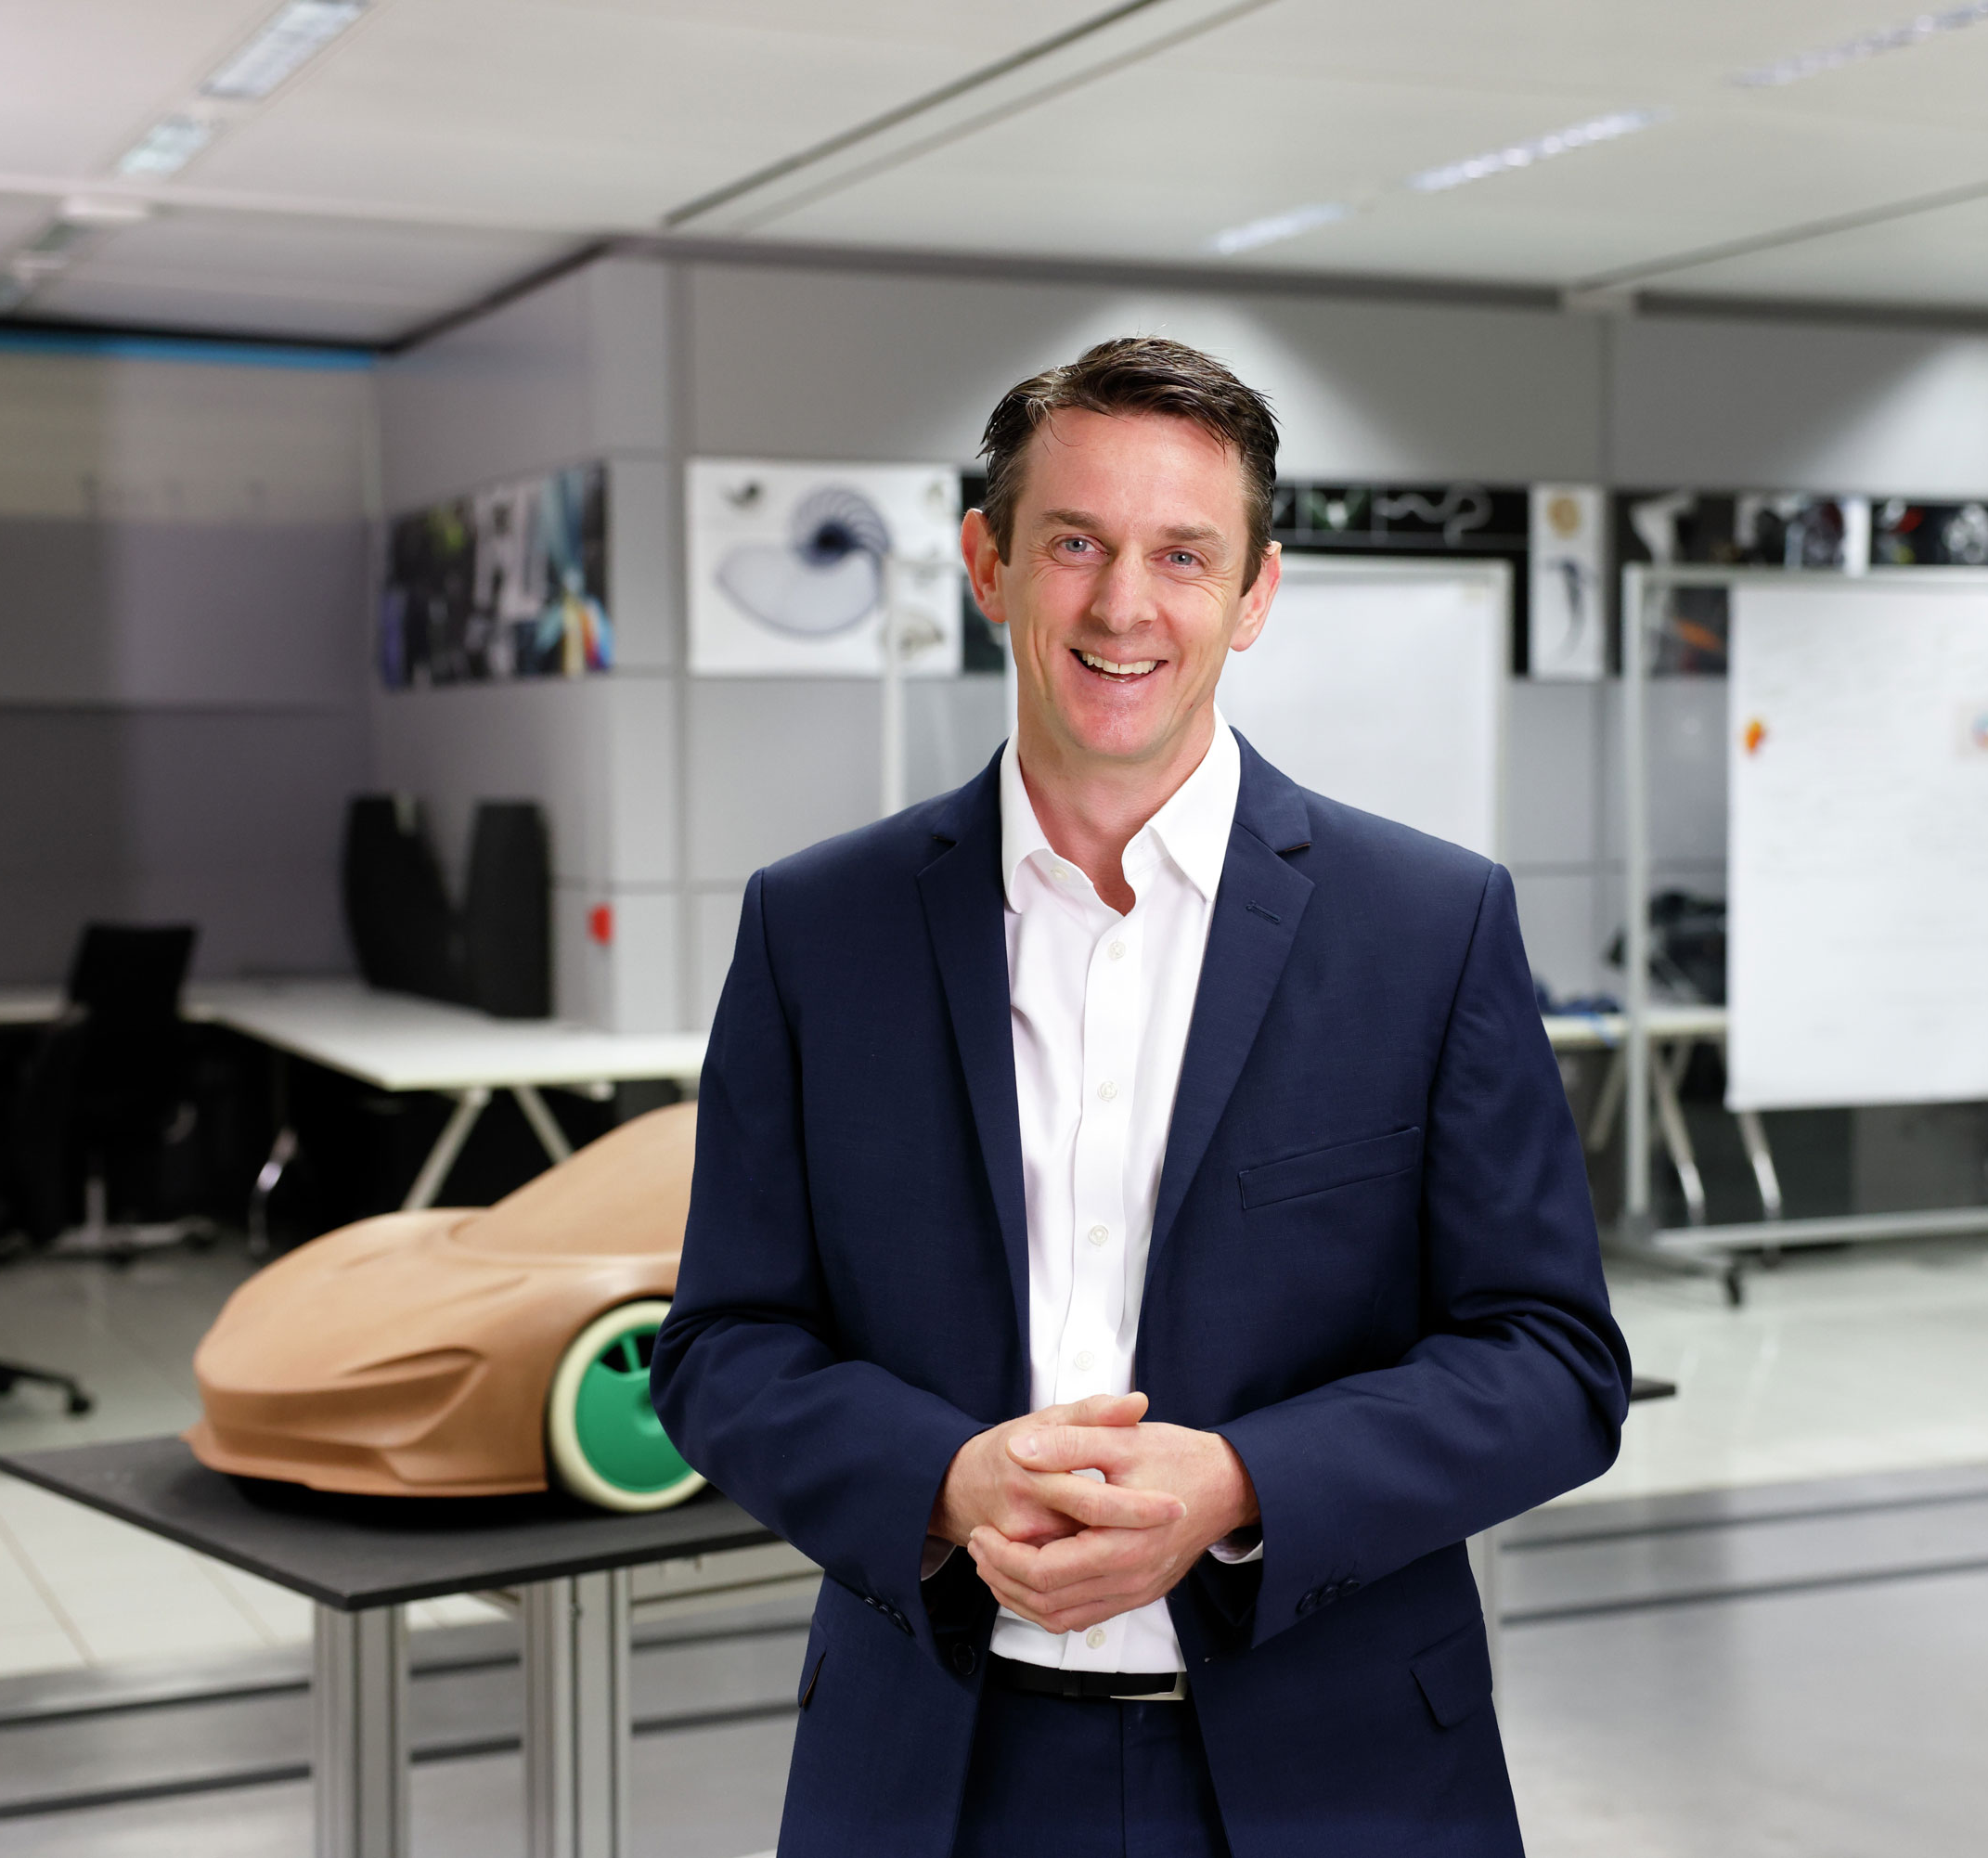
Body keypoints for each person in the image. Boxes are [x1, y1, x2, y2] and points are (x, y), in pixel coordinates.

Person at [652, 335, 1629, 1857]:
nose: (1125, 605)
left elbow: (1555, 1361)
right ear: (988, 562)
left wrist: (1240, 1479)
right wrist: (947, 1481)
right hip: (935, 1775)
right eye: (1076, 544)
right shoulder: (817, 929)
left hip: (1335, 1767)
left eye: (1183, 554)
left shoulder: (1427, 927)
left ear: (1255, 594)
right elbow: (721, 1347)